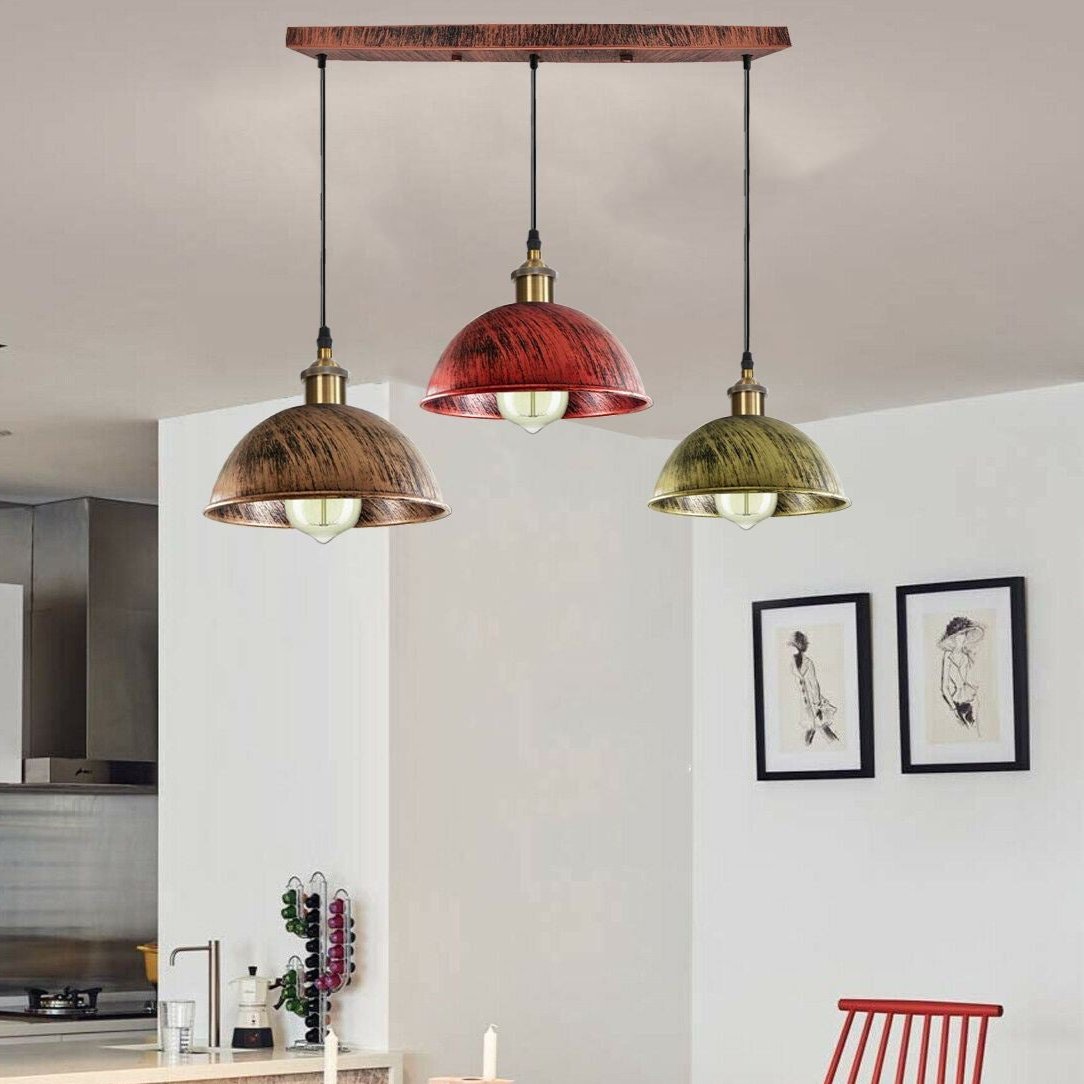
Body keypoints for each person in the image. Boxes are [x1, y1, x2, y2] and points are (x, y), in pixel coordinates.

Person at [788, 631, 839, 745]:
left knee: (821, 727)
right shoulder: (790, 663)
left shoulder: (808, 663)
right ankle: (808, 746)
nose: (791, 649)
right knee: (810, 729)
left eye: (794, 646)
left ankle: (836, 744)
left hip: (812, 703)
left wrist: (817, 705)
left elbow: (814, 684)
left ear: (799, 646)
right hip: (801, 705)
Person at [939, 616, 984, 728]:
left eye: (964, 635)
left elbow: (973, 679)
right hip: (955, 702)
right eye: (959, 636)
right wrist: (954, 709)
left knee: (975, 727)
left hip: (972, 700)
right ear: (953, 638)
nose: (962, 638)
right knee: (960, 728)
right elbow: (944, 687)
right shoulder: (947, 655)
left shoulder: (966, 656)